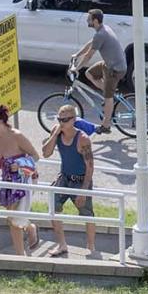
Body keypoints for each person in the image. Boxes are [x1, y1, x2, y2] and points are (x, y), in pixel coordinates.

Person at [0, 104, 41, 254]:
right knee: (13, 218)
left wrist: (20, 163)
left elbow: (35, 156)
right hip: (8, 180)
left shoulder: (17, 136)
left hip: (24, 180)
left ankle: (19, 256)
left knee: (13, 220)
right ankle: (30, 228)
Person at [40, 104, 98, 257]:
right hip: (64, 176)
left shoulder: (83, 139)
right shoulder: (56, 131)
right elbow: (46, 153)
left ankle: (91, 247)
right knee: (54, 206)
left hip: (80, 180)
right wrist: (54, 135)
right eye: (59, 119)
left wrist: (83, 191)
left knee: (87, 213)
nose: (61, 122)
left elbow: (90, 167)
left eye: (65, 120)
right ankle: (62, 244)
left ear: (73, 120)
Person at [74, 9, 126, 129]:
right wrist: (77, 55)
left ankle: (106, 126)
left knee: (108, 97)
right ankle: (109, 94)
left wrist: (76, 68)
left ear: (95, 21)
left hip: (115, 69)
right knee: (89, 73)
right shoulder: (103, 29)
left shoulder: (101, 34)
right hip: (110, 64)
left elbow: (89, 55)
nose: (87, 21)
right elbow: (91, 43)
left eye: (89, 19)